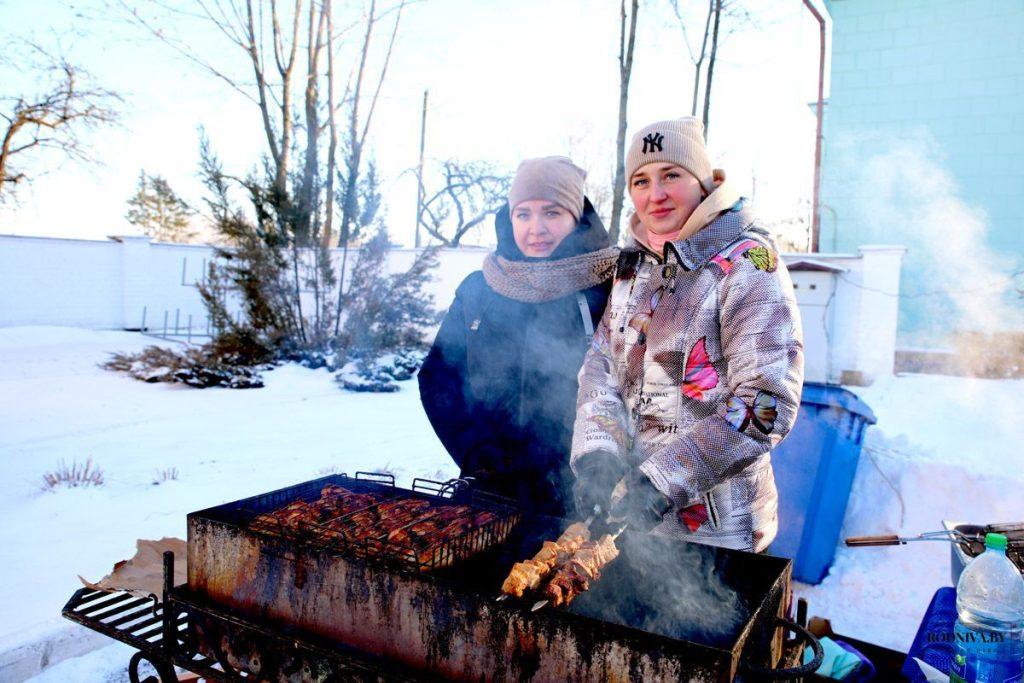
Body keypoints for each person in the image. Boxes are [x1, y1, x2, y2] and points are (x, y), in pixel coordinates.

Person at [571, 118, 804, 552]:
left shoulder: (750, 263)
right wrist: (599, 453)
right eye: (640, 181)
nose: (655, 195)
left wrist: (664, 479)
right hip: (636, 530)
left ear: (703, 181)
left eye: (671, 175)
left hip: (721, 535)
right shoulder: (632, 268)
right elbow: (601, 367)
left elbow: (766, 403)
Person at [418, 156, 619, 517]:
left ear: (577, 217)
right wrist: (477, 453)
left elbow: (630, 391)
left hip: (579, 498)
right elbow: (438, 378)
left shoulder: (610, 288)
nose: (535, 228)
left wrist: (598, 469)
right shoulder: (478, 290)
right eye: (523, 214)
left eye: (552, 213)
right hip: (487, 490)